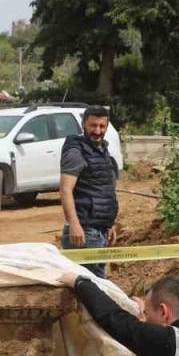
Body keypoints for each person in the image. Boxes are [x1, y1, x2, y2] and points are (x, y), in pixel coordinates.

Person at [60, 105, 120, 278]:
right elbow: (65, 189)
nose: (97, 131)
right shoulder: (76, 150)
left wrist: (109, 224)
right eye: (93, 125)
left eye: (102, 126)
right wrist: (74, 225)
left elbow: (103, 190)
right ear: (83, 124)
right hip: (84, 233)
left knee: (96, 290)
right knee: (89, 291)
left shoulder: (101, 150)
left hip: (99, 231)